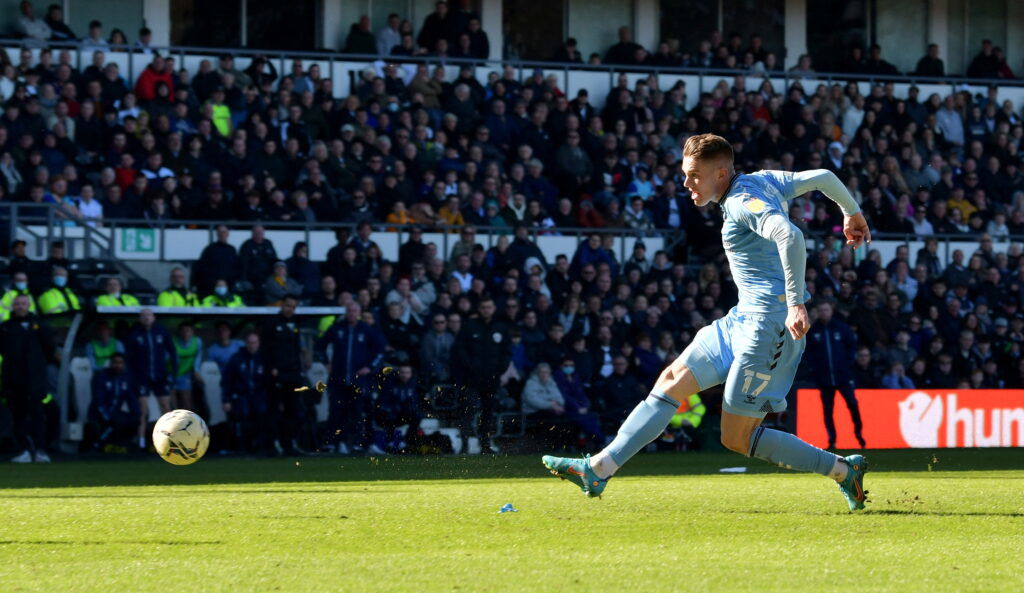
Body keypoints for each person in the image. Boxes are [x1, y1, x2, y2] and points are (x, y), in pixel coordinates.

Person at [542, 133, 872, 511]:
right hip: (741, 319)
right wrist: (852, 213)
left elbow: (791, 235)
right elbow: (824, 177)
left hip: (769, 329)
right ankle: (598, 469)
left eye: (693, 175)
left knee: (737, 438)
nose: (686, 183)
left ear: (720, 174)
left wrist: (796, 304)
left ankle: (843, 470)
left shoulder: (742, 201)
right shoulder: (763, 179)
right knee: (670, 381)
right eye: (685, 174)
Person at [317, 302, 386, 455]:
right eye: (349, 311)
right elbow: (320, 345)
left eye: (355, 311)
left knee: (358, 412)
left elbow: (380, 350)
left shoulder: (366, 330)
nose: (352, 313)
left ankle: (357, 443)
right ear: (346, 312)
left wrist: (370, 367)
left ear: (359, 312)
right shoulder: (337, 327)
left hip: (358, 379)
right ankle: (334, 442)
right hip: (338, 378)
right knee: (336, 411)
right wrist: (326, 362)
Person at [0, 294, 57, 462]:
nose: (20, 306)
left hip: (36, 380)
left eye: (23, 303)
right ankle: (23, 449)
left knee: (38, 414)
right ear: (12, 306)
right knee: (18, 415)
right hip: (14, 379)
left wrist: (37, 366)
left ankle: (40, 450)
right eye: (17, 303)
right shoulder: (5, 328)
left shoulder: (40, 326)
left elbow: (50, 349)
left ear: (29, 305)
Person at [451, 296, 511, 454]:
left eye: (489, 307)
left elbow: (506, 351)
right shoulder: (469, 327)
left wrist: (500, 369)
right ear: (479, 309)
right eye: (484, 307)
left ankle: (485, 444)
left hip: (492, 377)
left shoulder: (501, 328)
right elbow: (460, 350)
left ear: (494, 308)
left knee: (488, 412)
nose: (486, 310)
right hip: (471, 378)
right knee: (468, 411)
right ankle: (464, 445)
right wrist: (470, 367)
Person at [805, 301, 865, 449]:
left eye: (826, 310)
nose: (824, 312)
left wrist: (847, 363)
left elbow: (852, 346)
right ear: (818, 312)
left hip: (843, 376)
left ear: (831, 311)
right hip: (824, 378)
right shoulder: (813, 331)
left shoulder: (841, 328)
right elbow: (807, 352)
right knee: (827, 410)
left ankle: (859, 434)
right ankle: (832, 440)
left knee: (852, 403)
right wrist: (814, 368)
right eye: (821, 310)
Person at [261, 294, 307, 455]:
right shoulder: (272, 323)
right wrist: (271, 368)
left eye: (293, 307)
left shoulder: (296, 324)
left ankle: (290, 443)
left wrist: (300, 368)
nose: (290, 309)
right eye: (288, 305)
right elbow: (265, 349)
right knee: (274, 410)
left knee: (293, 410)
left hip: (293, 374)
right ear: (282, 305)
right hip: (277, 373)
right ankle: (273, 443)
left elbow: (298, 348)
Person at [125, 308, 176, 449]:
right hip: (142, 377)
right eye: (143, 316)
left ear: (154, 317)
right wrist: (132, 377)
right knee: (142, 409)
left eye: (149, 315)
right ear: (140, 318)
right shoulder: (135, 335)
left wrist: (172, 373)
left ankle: (168, 438)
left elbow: (172, 353)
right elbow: (129, 359)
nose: (146, 318)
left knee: (166, 406)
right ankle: (141, 440)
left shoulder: (161, 332)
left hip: (160, 375)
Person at [222, 331, 268, 453]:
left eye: (254, 342)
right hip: (242, 395)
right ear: (246, 343)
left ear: (258, 343)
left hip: (259, 395)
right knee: (243, 415)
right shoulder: (236, 358)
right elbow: (227, 380)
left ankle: (260, 447)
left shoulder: (264, 359)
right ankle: (243, 448)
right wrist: (226, 399)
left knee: (262, 415)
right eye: (249, 343)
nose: (252, 345)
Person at [87, 352, 140, 451]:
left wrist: (136, 413)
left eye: (121, 363)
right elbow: (99, 401)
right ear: (110, 363)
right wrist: (106, 416)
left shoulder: (125, 379)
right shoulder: (101, 377)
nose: (118, 365)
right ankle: (97, 445)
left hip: (115, 412)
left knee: (135, 420)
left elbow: (131, 398)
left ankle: (124, 445)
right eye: (115, 362)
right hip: (98, 413)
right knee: (114, 422)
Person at [372, 363, 422, 453]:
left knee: (417, 416)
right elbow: (384, 401)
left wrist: (409, 408)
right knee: (391, 415)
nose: (405, 375)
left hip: (402, 414)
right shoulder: (390, 384)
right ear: (398, 373)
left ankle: (406, 441)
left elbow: (414, 402)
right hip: (388, 414)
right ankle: (389, 442)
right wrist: (395, 408)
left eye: (407, 373)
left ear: (411, 374)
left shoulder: (412, 386)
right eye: (402, 372)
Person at [195, 225, 241, 296]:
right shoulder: (209, 249)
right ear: (217, 234)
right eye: (220, 232)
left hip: (229, 287)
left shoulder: (232, 250)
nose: (222, 234)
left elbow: (236, 268)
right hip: (211, 288)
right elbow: (203, 268)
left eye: (224, 232)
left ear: (228, 234)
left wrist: (228, 282)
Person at [170, 321, 203, 411]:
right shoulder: (173, 341)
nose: (185, 333)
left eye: (188, 331)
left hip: (185, 374)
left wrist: (196, 370)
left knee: (186, 402)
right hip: (171, 374)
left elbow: (198, 357)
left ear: (192, 332)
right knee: (172, 405)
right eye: (183, 331)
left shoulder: (197, 341)